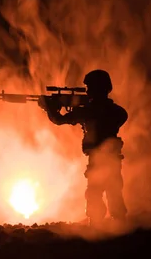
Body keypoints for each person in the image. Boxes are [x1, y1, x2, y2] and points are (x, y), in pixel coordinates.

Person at [38, 69, 129, 226]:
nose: (88, 91)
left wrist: (50, 109)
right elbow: (122, 115)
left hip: (98, 158)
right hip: (112, 158)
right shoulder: (112, 111)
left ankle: (97, 228)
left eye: (90, 88)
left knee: (94, 194)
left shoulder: (90, 110)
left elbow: (59, 120)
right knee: (113, 191)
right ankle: (119, 227)